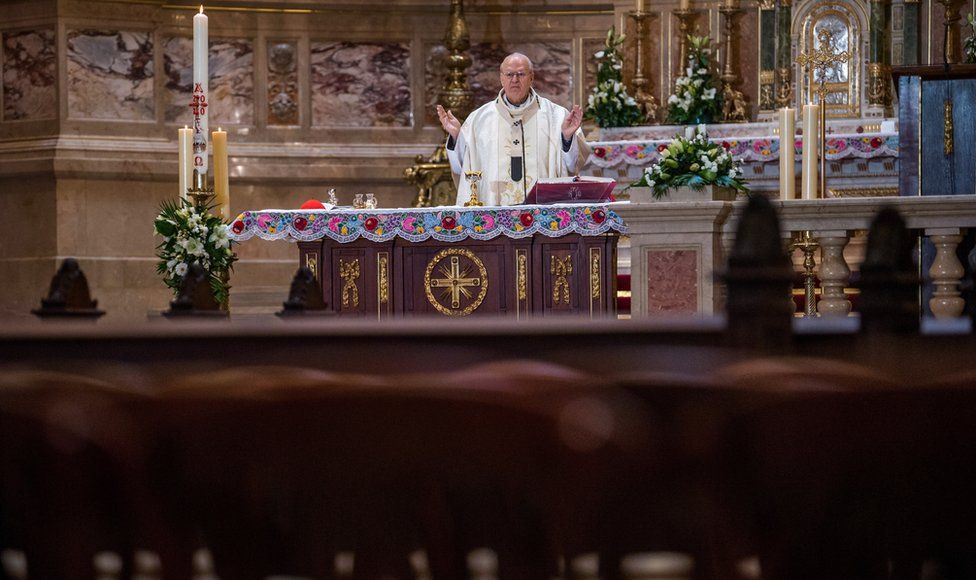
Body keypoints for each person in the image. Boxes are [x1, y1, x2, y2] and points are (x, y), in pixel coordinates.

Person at [436, 52, 590, 206]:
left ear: (532, 77)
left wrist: (567, 139)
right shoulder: (479, 119)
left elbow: (572, 165)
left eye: (521, 74)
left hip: (542, 214)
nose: (514, 80)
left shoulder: (556, 116)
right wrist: (457, 137)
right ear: (501, 78)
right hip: (494, 215)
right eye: (509, 74)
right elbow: (462, 168)